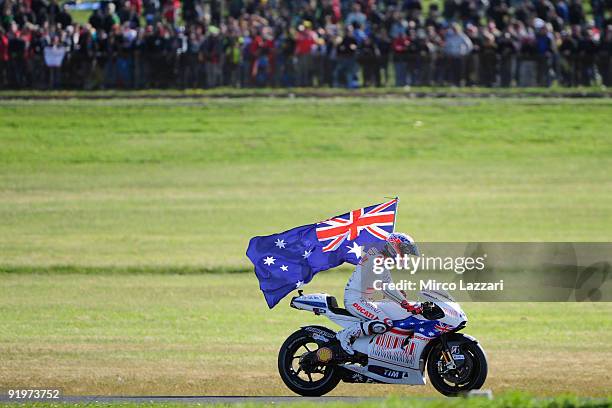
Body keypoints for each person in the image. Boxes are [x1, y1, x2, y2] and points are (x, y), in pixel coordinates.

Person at [335, 233, 423, 355]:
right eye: (404, 251)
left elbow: (387, 283)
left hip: (365, 299)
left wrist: (400, 296)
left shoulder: (380, 257)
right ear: (394, 245)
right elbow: (385, 288)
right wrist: (405, 304)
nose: (405, 255)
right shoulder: (377, 258)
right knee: (386, 322)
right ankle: (344, 336)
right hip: (356, 300)